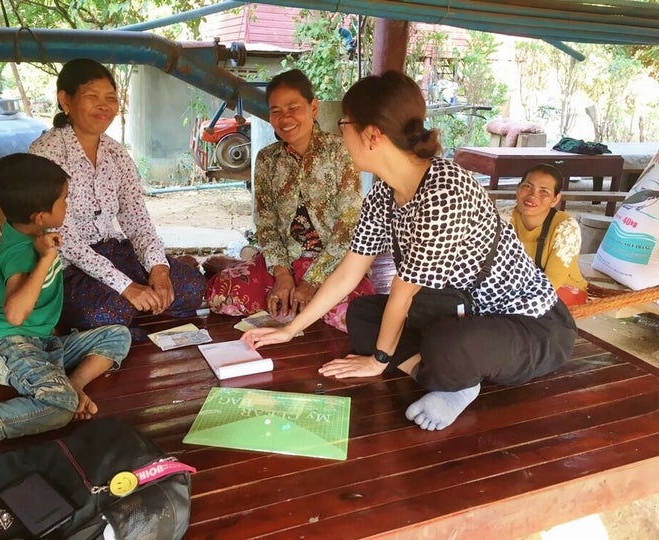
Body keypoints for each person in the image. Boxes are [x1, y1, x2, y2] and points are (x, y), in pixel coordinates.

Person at [242, 71, 578, 431]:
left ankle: (456, 383)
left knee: (447, 344)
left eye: (345, 124)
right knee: (363, 314)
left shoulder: (446, 189)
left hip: (531, 326)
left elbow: (403, 294)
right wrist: (291, 329)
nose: (341, 133)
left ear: (372, 134)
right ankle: (451, 376)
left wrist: (379, 361)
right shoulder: (384, 194)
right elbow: (349, 272)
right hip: (461, 308)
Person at [0, 154, 131, 442]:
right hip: (9, 346)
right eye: (64, 200)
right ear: (40, 216)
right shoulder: (21, 253)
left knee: (118, 335)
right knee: (59, 407)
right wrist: (44, 260)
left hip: (42, 344)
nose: (67, 205)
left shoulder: (28, 231)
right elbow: (15, 315)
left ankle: (73, 385)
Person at [29, 59, 204, 340]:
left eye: (110, 98)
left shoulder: (116, 153)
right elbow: (63, 237)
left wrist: (158, 268)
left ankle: (128, 320)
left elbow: (137, 219)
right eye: (92, 97)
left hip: (114, 252)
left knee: (190, 286)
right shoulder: (45, 153)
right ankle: (125, 319)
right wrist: (125, 286)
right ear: (66, 100)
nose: (104, 106)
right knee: (108, 311)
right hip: (70, 267)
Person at [205, 69, 374, 331]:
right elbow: (267, 225)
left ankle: (302, 304)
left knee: (352, 315)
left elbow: (348, 228)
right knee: (220, 296)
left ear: (313, 108)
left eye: (293, 107)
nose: (285, 119)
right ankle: (291, 301)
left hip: (332, 263)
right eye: (276, 111)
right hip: (284, 260)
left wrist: (312, 281)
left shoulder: (341, 151)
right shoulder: (266, 159)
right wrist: (282, 276)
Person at [499, 163, 588, 306]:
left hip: (560, 290)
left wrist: (512, 301)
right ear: (518, 188)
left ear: (555, 199)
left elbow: (552, 282)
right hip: (513, 287)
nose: (533, 195)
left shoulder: (566, 228)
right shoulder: (503, 218)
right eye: (527, 186)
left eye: (544, 191)